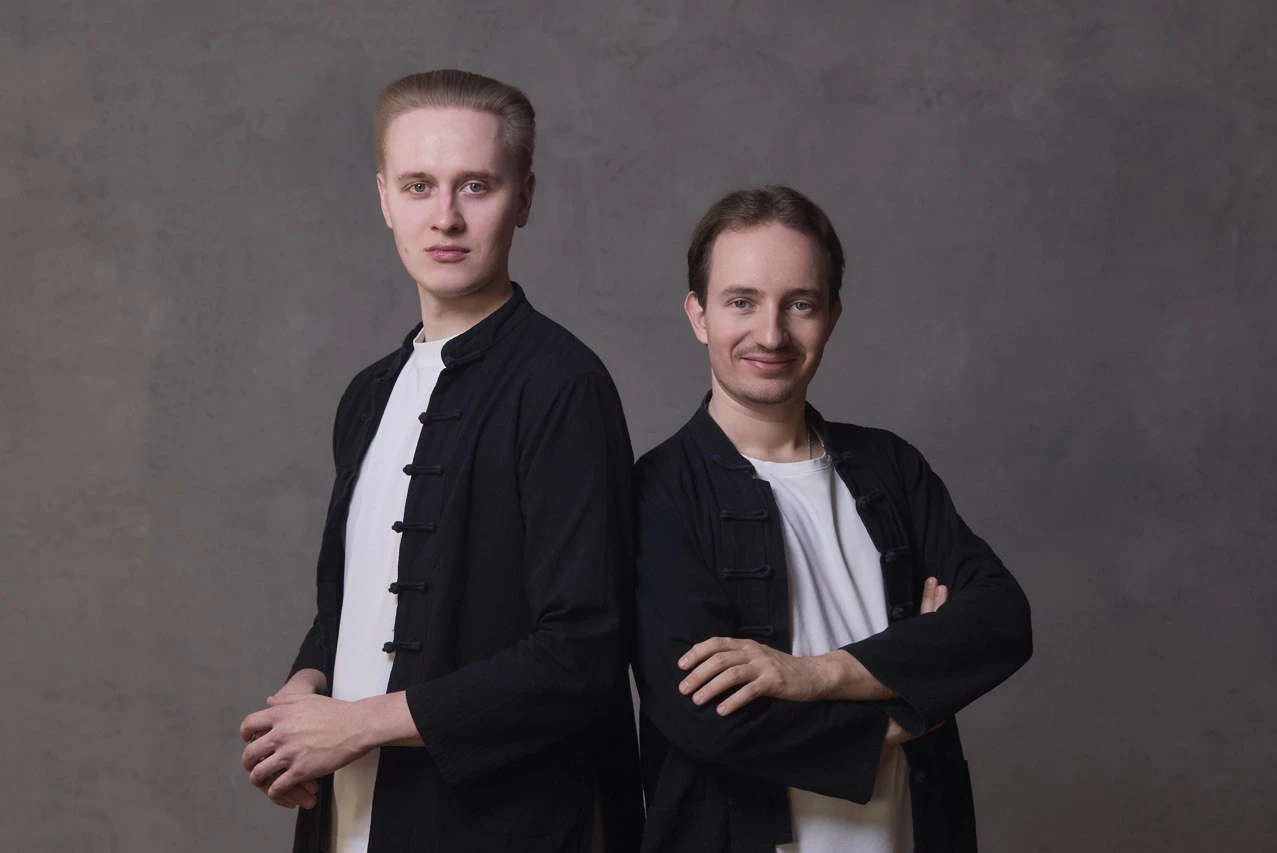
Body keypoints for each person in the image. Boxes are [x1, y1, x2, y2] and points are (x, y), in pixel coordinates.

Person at [238, 69, 642, 853]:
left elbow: (582, 652)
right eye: (419, 185)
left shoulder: (563, 385)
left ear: (524, 198)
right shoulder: (368, 394)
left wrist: (358, 724)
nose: (446, 217)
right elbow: (349, 605)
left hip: (505, 827)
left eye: (476, 186)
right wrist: (303, 696)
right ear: (384, 197)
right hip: (347, 814)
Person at [631, 185, 1033, 853]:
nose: (771, 334)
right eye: (741, 301)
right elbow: (712, 718)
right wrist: (917, 699)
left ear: (832, 316)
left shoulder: (890, 466)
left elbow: (1001, 619)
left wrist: (811, 674)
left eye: (800, 304)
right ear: (698, 315)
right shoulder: (658, 492)